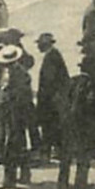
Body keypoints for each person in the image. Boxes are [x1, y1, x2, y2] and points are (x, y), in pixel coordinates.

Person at [0, 43, 34, 189]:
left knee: (13, 144)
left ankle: (11, 178)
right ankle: (23, 174)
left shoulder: (21, 74)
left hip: (16, 113)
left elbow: (23, 96)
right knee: (14, 143)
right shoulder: (5, 72)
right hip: (6, 113)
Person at [56, 73, 95, 189]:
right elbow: (93, 105)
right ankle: (80, 184)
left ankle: (62, 184)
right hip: (83, 124)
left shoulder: (71, 81)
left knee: (66, 155)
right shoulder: (91, 85)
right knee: (83, 155)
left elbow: (60, 100)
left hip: (68, 122)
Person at [33, 33, 68, 163]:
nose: (38, 47)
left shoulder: (51, 57)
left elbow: (49, 81)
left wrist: (43, 99)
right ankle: (56, 151)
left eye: (39, 44)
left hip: (51, 99)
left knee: (49, 126)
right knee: (54, 125)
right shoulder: (53, 54)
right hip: (54, 98)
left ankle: (47, 154)